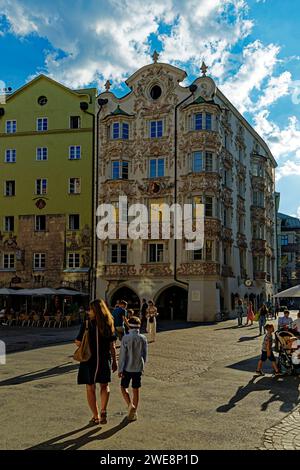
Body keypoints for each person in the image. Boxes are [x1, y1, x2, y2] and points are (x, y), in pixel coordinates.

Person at [75, 299, 117, 425]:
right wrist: (115, 361)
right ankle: (103, 410)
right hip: (104, 359)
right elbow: (113, 345)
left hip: (89, 359)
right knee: (104, 386)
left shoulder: (87, 324)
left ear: (95, 310)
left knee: (90, 388)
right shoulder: (109, 323)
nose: (89, 312)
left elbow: (77, 342)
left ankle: (96, 416)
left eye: (91, 309)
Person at [118, 316, 148, 421]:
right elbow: (145, 355)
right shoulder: (143, 338)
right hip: (138, 368)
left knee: (123, 387)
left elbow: (122, 356)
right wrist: (143, 366)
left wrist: (120, 369)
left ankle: (130, 405)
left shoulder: (125, 338)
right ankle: (134, 412)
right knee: (136, 390)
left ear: (129, 326)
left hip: (127, 368)